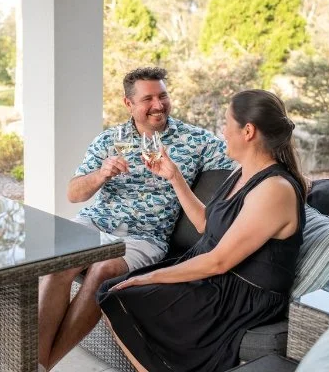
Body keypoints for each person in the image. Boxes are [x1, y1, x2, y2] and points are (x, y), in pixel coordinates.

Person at [97, 89, 308, 372]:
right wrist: (174, 176)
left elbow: (219, 261)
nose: (223, 132)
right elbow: (206, 225)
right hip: (216, 274)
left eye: (227, 123)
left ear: (248, 131)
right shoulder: (242, 172)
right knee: (111, 291)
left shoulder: (275, 189)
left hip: (238, 292)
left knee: (121, 295)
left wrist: (150, 276)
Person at [38, 67, 234, 371]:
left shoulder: (195, 140)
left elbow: (246, 157)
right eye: (148, 99)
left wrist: (292, 178)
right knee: (57, 265)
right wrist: (101, 174)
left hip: (145, 237)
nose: (158, 105)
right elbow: (73, 194)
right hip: (95, 223)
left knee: (104, 270)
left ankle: (40, 365)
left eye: (162, 96)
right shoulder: (108, 140)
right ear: (128, 103)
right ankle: (36, 364)